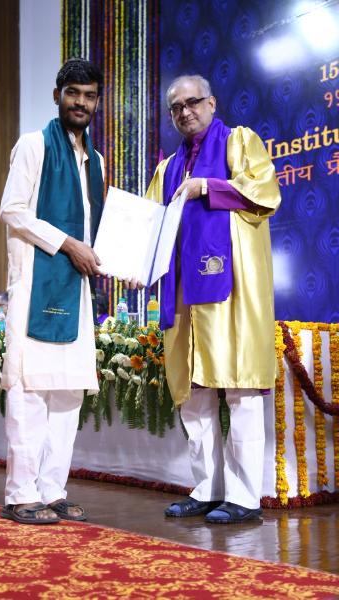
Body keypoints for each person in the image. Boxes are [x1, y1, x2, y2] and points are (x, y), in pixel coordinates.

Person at [146, 75, 281, 524]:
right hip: (184, 293)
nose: (185, 111)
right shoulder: (167, 169)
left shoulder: (239, 143)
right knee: (196, 394)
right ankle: (206, 489)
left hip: (232, 289)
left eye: (193, 102)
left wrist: (207, 187)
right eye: (176, 107)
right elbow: (149, 225)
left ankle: (244, 496)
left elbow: (265, 192)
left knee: (240, 388)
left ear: (212, 102)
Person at [0, 57, 104, 525]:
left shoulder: (96, 162)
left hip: (76, 290)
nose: (81, 103)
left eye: (89, 96)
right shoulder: (34, 145)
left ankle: (52, 491)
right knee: (30, 391)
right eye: (73, 93)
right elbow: (12, 210)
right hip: (35, 286)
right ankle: (22, 494)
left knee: (67, 393)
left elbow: (97, 230)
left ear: (96, 102)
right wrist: (67, 244)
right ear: (57, 95)